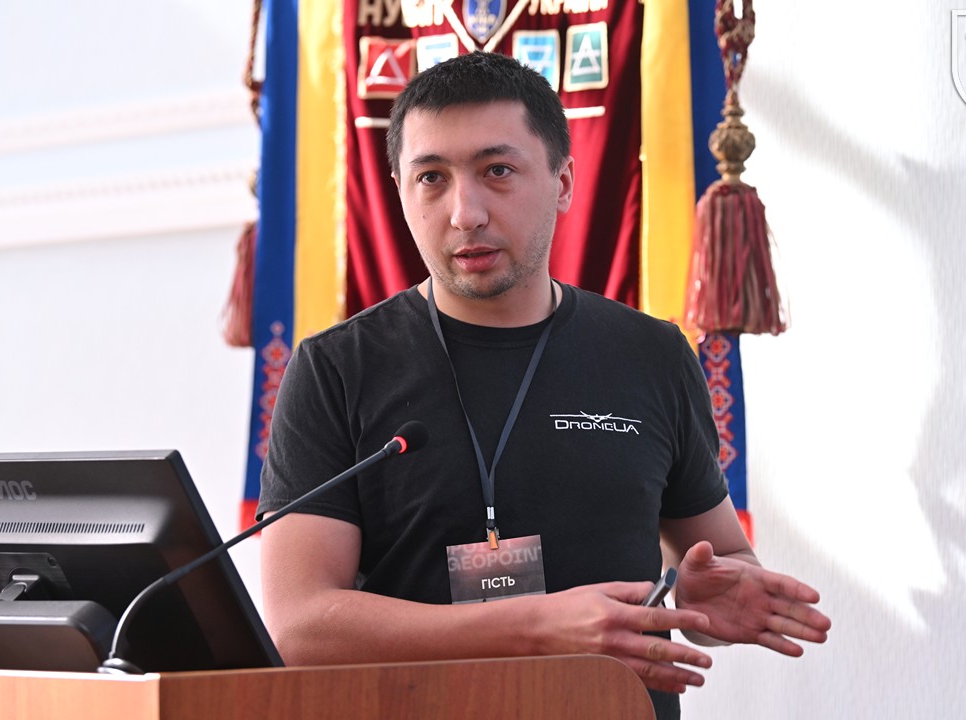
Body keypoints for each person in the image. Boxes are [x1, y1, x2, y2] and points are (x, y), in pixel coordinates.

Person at [257, 51, 830, 719]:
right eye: (432, 178)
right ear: (400, 190)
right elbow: (301, 626)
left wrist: (707, 600)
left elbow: (723, 557)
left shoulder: (652, 355)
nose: (465, 212)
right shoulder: (335, 369)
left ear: (563, 182)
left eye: (497, 171)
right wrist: (536, 626)